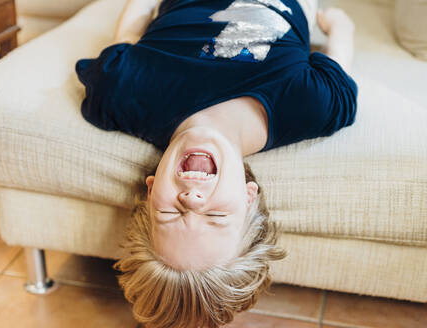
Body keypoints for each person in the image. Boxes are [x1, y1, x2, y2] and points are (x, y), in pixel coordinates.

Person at [75, 0, 357, 327]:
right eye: (216, 216)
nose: (192, 200)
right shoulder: (310, 105)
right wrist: (334, 24)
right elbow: (341, 38)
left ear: (150, 191)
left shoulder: (121, 94)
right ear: (249, 197)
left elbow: (125, 37)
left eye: (170, 213)